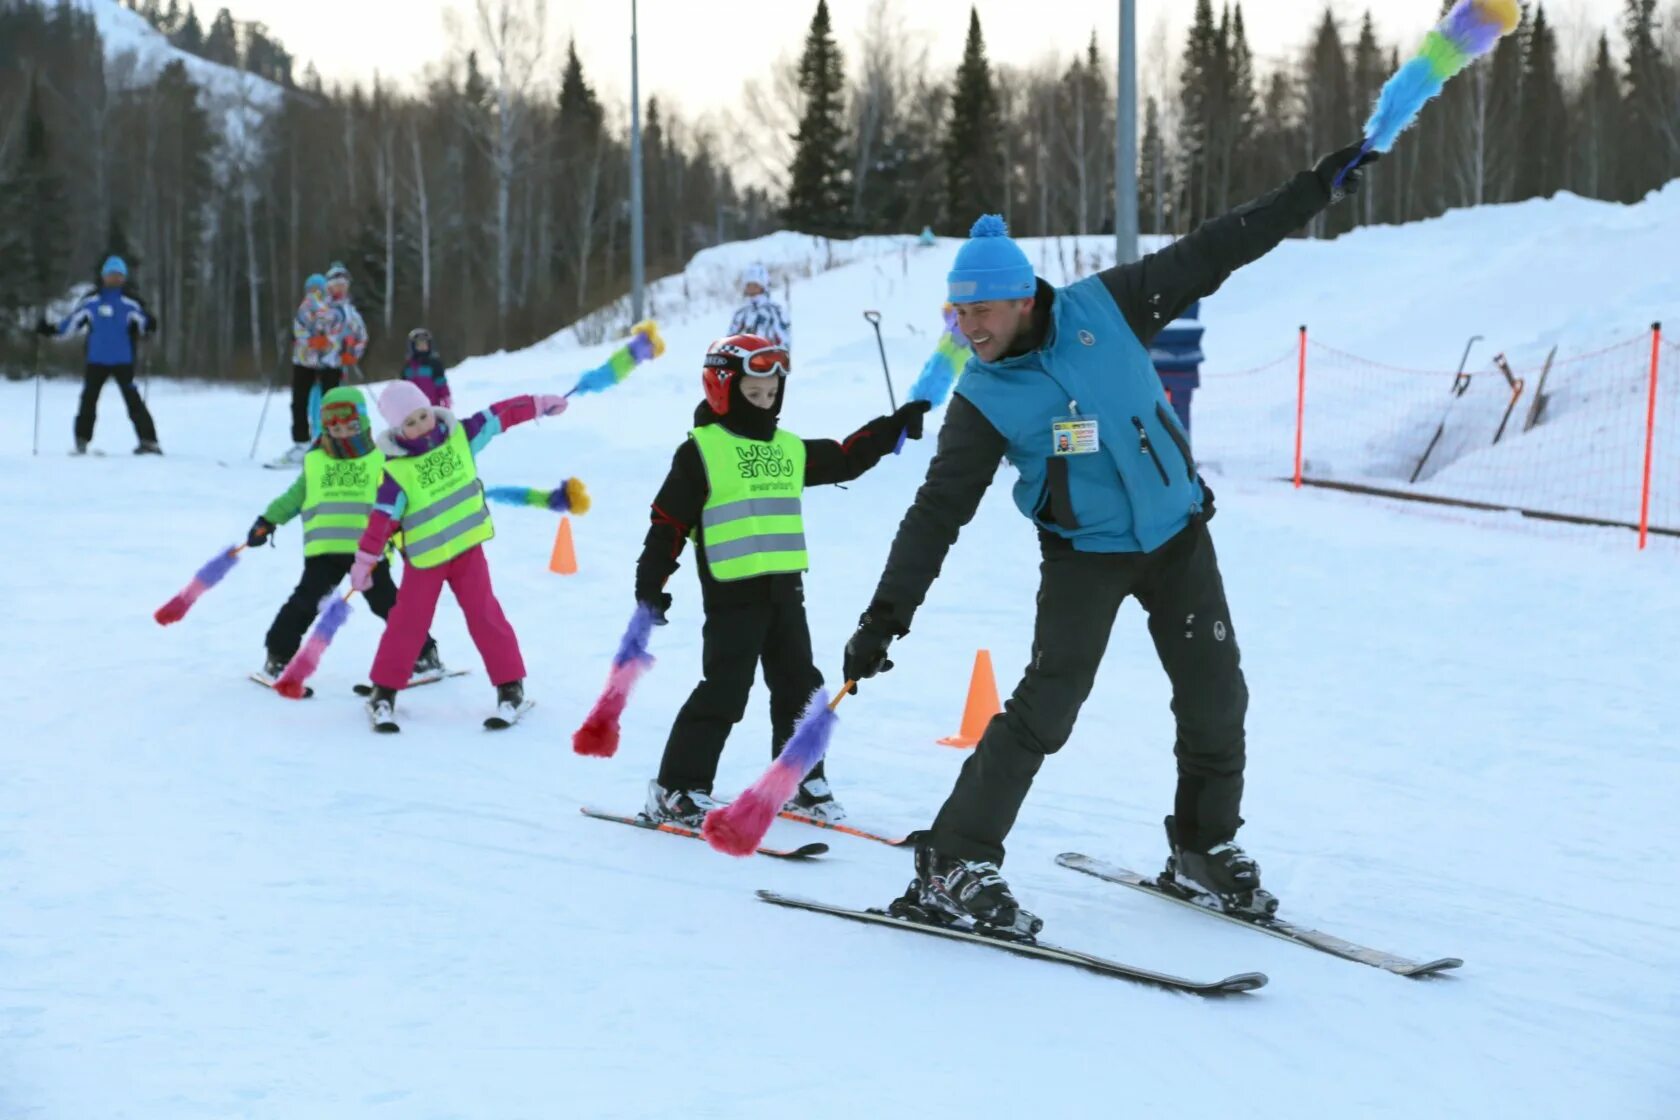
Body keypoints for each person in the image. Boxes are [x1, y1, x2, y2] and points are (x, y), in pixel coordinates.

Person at [841, 141, 1381, 937]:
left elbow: (1217, 247)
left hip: (1177, 536)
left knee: (1217, 696)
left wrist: (1310, 192)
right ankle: (954, 859)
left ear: (1024, 298)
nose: (969, 327)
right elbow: (936, 512)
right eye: (959, 313)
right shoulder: (983, 396)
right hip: (1084, 555)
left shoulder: (1109, 305)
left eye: (981, 310)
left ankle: (1204, 847)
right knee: (1046, 707)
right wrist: (885, 617)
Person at [635, 334, 931, 827]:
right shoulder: (702, 452)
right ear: (722, 391)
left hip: (785, 592)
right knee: (725, 690)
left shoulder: (786, 450)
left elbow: (845, 457)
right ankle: (676, 788)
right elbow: (667, 523)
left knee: (801, 687)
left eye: (772, 394)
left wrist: (891, 427)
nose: (764, 403)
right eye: (753, 394)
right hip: (733, 594)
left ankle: (800, 781)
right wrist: (651, 584)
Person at [353, 380, 570, 730]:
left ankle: (510, 686)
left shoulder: (460, 436)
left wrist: (539, 404)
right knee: (407, 623)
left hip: (468, 551)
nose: (421, 425)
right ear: (398, 430)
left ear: (431, 410)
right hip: (426, 559)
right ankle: (384, 692)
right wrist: (366, 561)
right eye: (410, 423)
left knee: (485, 615)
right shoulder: (396, 472)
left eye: (423, 415)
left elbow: (501, 415)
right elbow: (381, 520)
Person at [246, 385, 443, 684]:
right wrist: (268, 520)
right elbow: (294, 497)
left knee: (389, 604)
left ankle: (424, 655)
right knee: (304, 604)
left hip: (370, 552)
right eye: (333, 426)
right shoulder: (315, 461)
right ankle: (277, 658)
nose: (342, 432)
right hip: (324, 553)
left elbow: (405, 497)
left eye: (350, 425)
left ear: (363, 423)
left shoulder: (383, 458)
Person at [39, 255, 162, 454]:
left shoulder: (130, 302)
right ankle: (81, 440)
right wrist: (51, 329)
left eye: (119, 275)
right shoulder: (91, 301)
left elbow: (144, 323)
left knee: (133, 401)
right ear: (103, 276)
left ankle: (149, 441)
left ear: (124, 278)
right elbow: (71, 324)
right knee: (88, 400)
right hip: (96, 359)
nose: (114, 278)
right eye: (111, 274)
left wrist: (149, 324)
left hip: (123, 359)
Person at [726, 264, 791, 349]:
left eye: (755, 285)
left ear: (763, 285)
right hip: (742, 359)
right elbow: (730, 340)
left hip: (768, 358)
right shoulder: (741, 313)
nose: (751, 288)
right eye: (749, 285)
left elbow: (784, 341)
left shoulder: (775, 311)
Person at [399, 328, 451, 408]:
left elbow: (441, 383)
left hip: (432, 405)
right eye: (419, 345)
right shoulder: (408, 366)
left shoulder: (434, 364)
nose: (422, 346)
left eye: (425, 344)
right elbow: (404, 385)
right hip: (413, 407)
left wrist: (445, 397)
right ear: (413, 347)